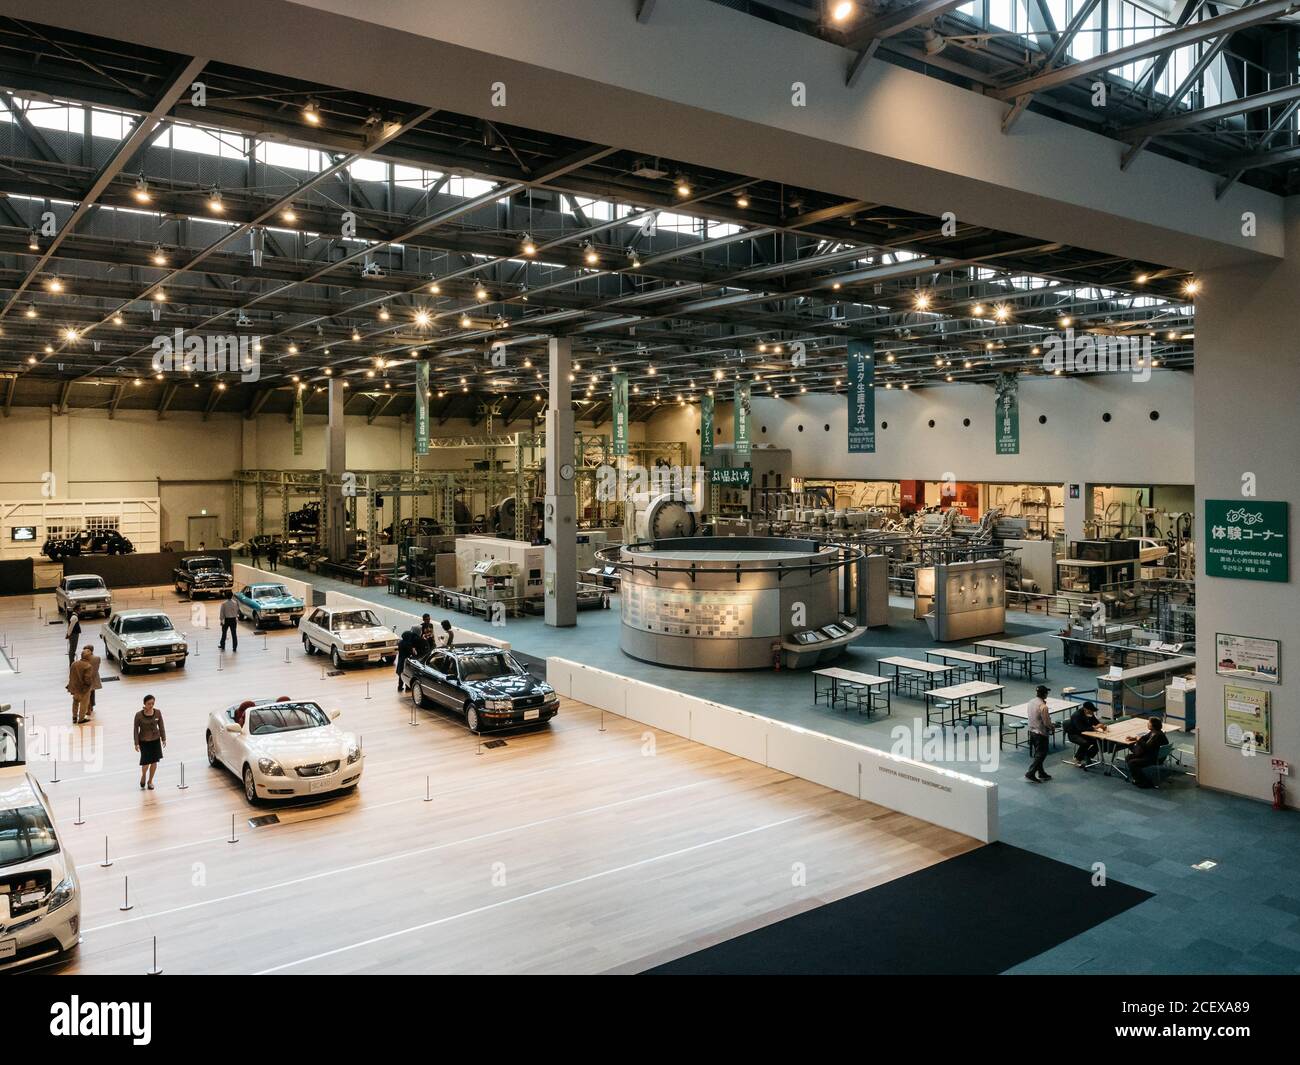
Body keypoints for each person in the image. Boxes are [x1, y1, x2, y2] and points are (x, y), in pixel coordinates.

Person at [1126, 717, 1169, 789]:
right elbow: (1144, 737)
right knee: (1129, 757)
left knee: (1132, 763)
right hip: (1151, 754)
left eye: (1149, 723)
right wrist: (1134, 738)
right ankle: (1137, 776)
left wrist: (1139, 740)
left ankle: (1144, 782)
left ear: (1153, 725)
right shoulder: (1153, 732)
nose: (1148, 724)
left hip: (1154, 758)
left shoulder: (1158, 735)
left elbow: (1147, 747)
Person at [134, 695, 166, 789]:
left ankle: (150, 781)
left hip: (155, 740)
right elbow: (135, 730)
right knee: (145, 763)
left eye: (152, 703)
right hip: (144, 741)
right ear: (144, 704)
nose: (151, 705)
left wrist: (163, 738)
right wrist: (136, 743)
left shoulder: (158, 713)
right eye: (149, 704)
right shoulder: (138, 715)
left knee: (154, 762)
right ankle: (143, 775)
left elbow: (161, 726)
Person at [1025, 684, 1055, 783]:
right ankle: (1031, 772)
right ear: (1045, 694)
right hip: (1040, 733)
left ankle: (1041, 772)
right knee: (1041, 754)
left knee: (1038, 753)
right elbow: (1046, 722)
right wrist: (1052, 727)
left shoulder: (1031, 702)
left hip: (1032, 731)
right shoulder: (1043, 707)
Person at [1065, 700, 1104, 766]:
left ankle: (1087, 755)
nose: (1092, 713)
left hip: (1085, 733)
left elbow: (1096, 722)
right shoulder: (1076, 715)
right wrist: (1095, 728)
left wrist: (1102, 725)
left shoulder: (1089, 713)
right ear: (1085, 709)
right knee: (1085, 743)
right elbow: (1081, 728)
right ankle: (1077, 758)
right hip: (1074, 734)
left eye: (1092, 711)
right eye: (1091, 711)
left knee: (1098, 741)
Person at [67, 650, 97, 724]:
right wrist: (89, 685)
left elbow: (71, 675)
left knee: (75, 702)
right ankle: (81, 719)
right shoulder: (88, 666)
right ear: (89, 657)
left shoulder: (74, 663)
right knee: (84, 704)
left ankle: (74, 717)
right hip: (83, 689)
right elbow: (87, 679)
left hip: (74, 688)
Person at [81, 644, 102, 718]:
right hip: (95, 677)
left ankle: (88, 708)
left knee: (87, 694)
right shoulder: (97, 658)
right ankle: (92, 705)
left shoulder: (85, 659)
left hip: (87, 678)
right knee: (92, 692)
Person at [396, 626, 420, 691]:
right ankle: (407, 687)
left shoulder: (400, 643)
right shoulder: (408, 644)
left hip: (400, 660)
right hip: (406, 661)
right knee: (407, 673)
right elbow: (413, 653)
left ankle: (400, 687)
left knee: (401, 674)